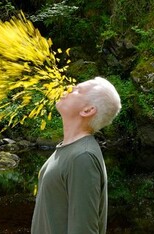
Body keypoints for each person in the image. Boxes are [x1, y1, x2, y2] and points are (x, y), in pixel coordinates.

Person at [31, 76, 122, 234]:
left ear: (87, 110)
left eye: (79, 90)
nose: (70, 88)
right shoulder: (71, 149)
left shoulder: (83, 157)